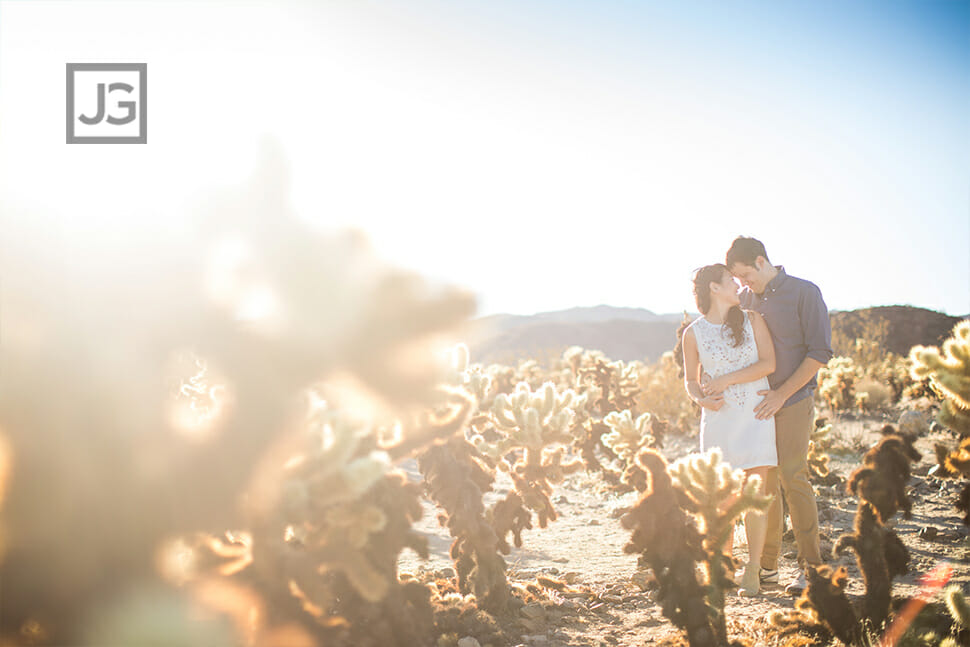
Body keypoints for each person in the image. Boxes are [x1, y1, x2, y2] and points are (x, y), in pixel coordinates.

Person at [722, 236, 834, 596]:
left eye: (745, 276)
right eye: (736, 280)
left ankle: (812, 569)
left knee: (792, 476)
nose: (743, 284)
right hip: (755, 407)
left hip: (793, 400)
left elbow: (820, 352)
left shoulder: (804, 292)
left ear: (760, 261)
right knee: (763, 485)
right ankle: (767, 568)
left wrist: (781, 394)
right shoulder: (743, 301)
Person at [681, 263, 777, 596]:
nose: (738, 285)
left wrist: (725, 379)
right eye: (729, 281)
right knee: (722, 499)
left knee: (754, 494)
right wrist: (702, 401)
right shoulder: (693, 333)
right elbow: (690, 382)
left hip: (755, 413)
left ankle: (752, 569)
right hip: (719, 420)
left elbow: (769, 364)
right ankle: (723, 568)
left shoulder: (753, 320)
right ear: (713, 288)